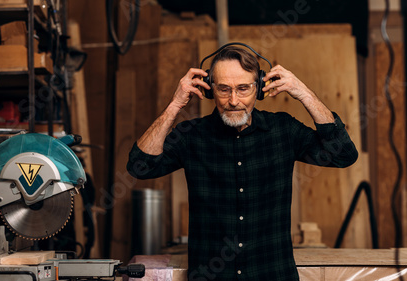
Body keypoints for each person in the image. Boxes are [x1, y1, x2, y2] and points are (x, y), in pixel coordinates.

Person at [126, 45, 358, 280]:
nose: (233, 100)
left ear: (259, 88)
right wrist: (175, 104)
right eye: (224, 89)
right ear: (209, 89)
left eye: (243, 88)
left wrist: (304, 93)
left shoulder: (283, 130)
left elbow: (344, 155)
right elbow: (139, 166)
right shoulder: (191, 135)